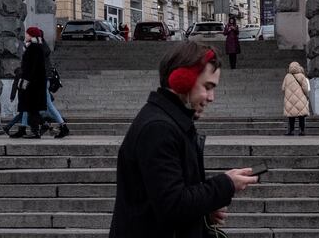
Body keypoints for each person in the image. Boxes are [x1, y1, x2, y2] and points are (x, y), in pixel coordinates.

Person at [109, 42, 259, 237]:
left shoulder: (171, 122)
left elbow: (168, 199)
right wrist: (225, 184)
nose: (212, 97)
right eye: (207, 86)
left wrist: (203, 212)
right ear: (182, 80)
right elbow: (172, 206)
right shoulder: (158, 129)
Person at [9, 26, 49, 139]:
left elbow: (32, 68)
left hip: (33, 84)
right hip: (33, 83)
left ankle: (36, 131)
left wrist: (25, 82)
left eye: (27, 34)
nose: (25, 35)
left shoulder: (34, 48)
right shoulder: (34, 47)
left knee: (31, 107)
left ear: (31, 35)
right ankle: (40, 126)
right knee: (31, 108)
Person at [282, 61, 311, 136]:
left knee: (291, 117)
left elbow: (283, 88)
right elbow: (305, 88)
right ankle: (302, 131)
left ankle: (291, 131)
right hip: (300, 99)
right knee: (301, 117)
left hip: (290, 100)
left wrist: (288, 95)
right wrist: (307, 95)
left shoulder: (287, 76)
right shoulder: (301, 76)